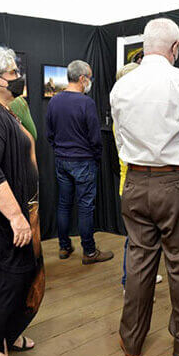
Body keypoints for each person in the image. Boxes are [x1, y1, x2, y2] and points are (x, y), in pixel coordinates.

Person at [111, 18, 179, 356]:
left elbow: (121, 138)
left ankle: (132, 343)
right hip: (176, 183)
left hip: (136, 182)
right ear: (174, 48)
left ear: (145, 45)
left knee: (140, 262)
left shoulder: (122, 87)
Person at [0, 46, 45, 356]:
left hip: (21, 211)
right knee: (6, 281)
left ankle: (7, 333)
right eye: (12, 73)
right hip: (3, 219)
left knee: (23, 276)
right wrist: (15, 216)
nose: (17, 77)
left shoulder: (6, 110)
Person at [46, 60, 114, 265]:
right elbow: (95, 138)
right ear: (83, 78)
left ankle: (64, 247)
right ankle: (90, 252)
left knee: (64, 205)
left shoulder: (54, 101)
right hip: (83, 161)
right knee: (85, 208)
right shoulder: (86, 103)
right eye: (90, 77)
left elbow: (49, 134)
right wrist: (96, 156)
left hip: (61, 160)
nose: (90, 81)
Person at [112, 63, 163, 295]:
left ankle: (141, 277)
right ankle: (129, 283)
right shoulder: (133, 115)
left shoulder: (121, 112)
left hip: (132, 183)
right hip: (136, 182)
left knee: (142, 239)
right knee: (137, 240)